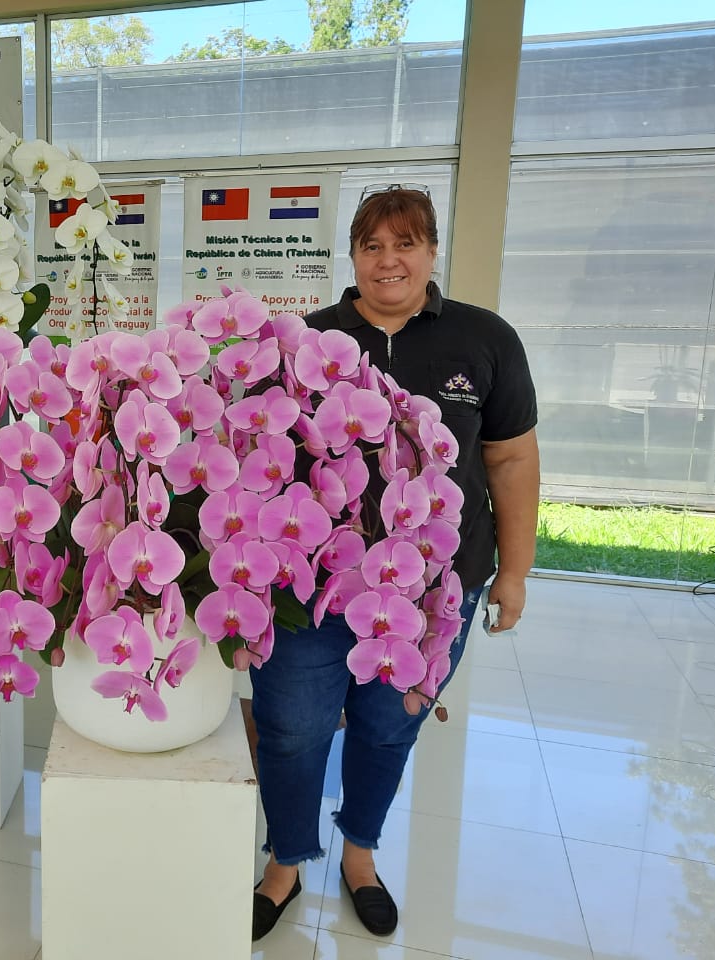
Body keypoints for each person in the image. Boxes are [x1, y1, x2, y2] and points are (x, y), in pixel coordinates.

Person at [249, 184, 540, 940]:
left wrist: (513, 569)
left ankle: (359, 855)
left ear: (431, 251)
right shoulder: (303, 343)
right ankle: (285, 860)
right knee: (290, 727)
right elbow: (259, 462)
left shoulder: (486, 340)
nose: (389, 261)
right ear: (352, 255)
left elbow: (509, 459)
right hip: (311, 585)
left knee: (387, 726)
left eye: (405, 243)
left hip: (434, 590)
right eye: (372, 245)